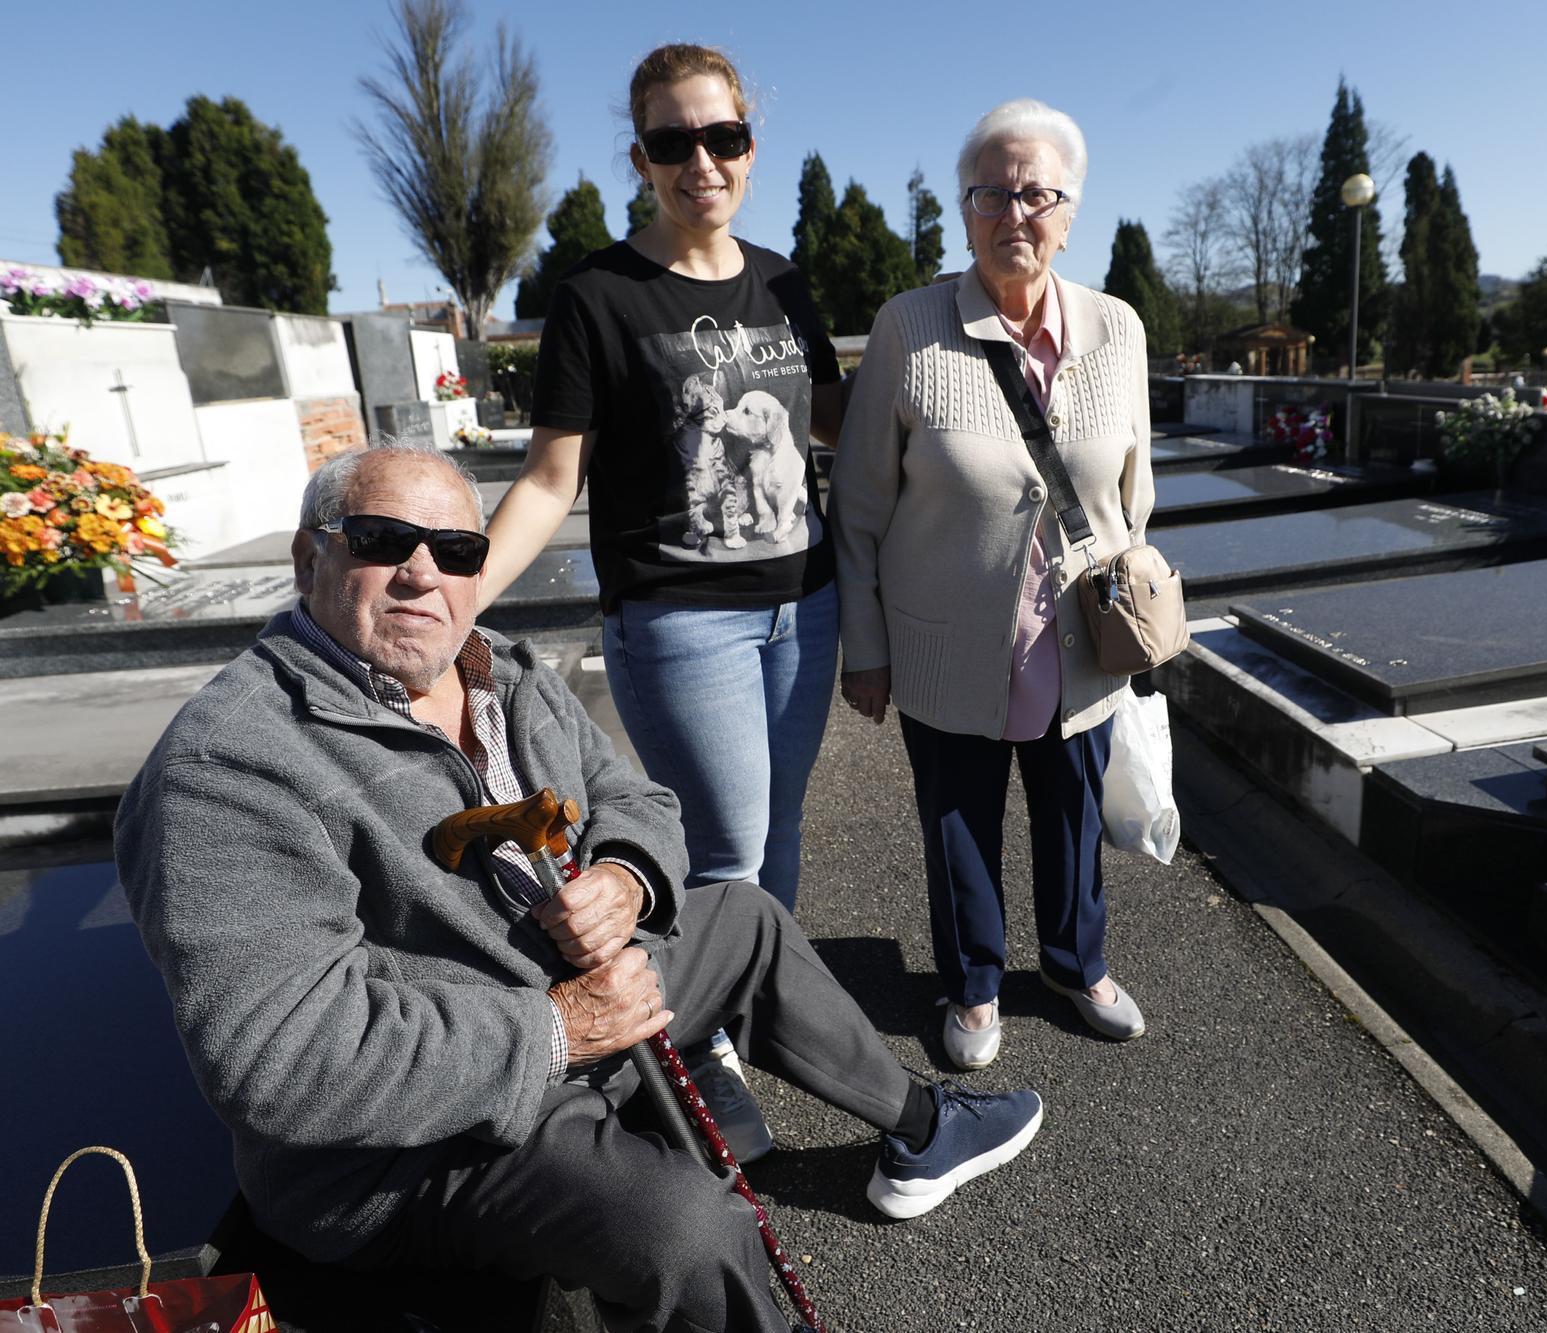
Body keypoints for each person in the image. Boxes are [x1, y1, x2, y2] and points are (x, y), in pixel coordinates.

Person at [116, 444, 1043, 1333]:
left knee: (747, 919)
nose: (422, 573)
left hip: (561, 1006)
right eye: (383, 541)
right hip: (413, 1144)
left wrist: (626, 877)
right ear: (308, 557)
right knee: (688, 1227)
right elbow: (279, 1057)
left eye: (456, 550)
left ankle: (922, 1125)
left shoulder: (503, 673)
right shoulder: (231, 762)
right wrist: (560, 1028)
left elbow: (632, 796)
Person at [479, 43, 842, 1157]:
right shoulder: (596, 294)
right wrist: (457, 598)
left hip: (805, 606)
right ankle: (698, 1043)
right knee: (721, 849)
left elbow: (837, 419)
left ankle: (742, 997)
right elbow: (552, 477)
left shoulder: (780, 280)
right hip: (685, 622)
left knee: (774, 835)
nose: (702, 161)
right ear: (639, 156)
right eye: (674, 142)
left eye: (721, 137)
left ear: (747, 144)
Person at [828, 99, 1152, 1072]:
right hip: (946, 640)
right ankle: (970, 983)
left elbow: (1137, 483)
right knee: (958, 823)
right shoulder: (908, 326)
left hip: (1078, 642)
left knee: (1072, 816)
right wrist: (866, 645)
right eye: (990, 193)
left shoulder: (1117, 326)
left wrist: (1128, 591)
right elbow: (855, 504)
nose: (1014, 212)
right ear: (963, 208)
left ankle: (1073, 963)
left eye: (1036, 193)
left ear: (1069, 208)